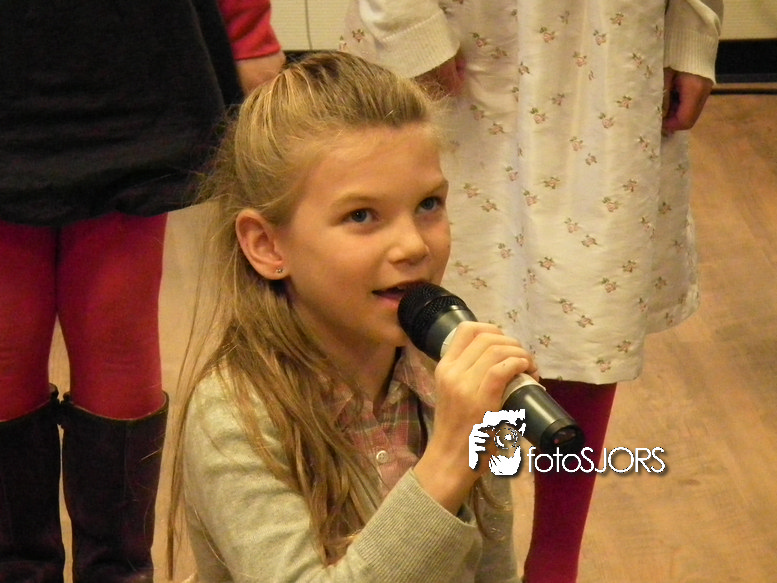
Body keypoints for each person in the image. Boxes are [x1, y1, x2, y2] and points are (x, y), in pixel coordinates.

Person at [341, 1, 723, 581]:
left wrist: (694, 24)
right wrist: (408, 27)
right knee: (409, 281)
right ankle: (400, 542)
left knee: (584, 293)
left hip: (608, 42)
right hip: (468, 27)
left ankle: (551, 564)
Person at [166, 51, 536, 582]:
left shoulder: (452, 379)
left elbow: (495, 572)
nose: (413, 246)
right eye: (362, 215)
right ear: (267, 245)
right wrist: (451, 459)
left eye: (428, 204)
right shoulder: (234, 414)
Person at [0, 1, 282, 581]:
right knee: (10, 340)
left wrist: (247, 27)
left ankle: (114, 570)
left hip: (131, 43)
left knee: (114, 335)